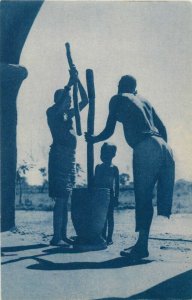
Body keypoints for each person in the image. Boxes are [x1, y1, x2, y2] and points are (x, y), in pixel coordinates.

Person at [85, 75, 175, 258]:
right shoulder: (145, 101)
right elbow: (163, 128)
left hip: (146, 146)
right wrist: (159, 150)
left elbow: (110, 129)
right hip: (165, 147)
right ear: (135, 89)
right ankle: (142, 244)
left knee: (143, 198)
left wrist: (93, 139)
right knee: (149, 198)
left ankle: (141, 247)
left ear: (120, 87)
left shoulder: (118, 98)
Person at [47, 66, 88, 246]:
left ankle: (62, 235)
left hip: (69, 159)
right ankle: (56, 236)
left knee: (66, 198)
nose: (70, 103)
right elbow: (62, 101)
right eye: (67, 100)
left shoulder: (68, 115)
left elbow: (86, 100)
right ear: (59, 101)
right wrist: (69, 85)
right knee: (61, 198)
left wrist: (77, 80)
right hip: (58, 158)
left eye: (71, 100)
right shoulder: (52, 113)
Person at [94, 143, 119, 245]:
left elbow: (117, 185)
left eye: (107, 153)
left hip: (110, 194)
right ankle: (102, 236)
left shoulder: (114, 168)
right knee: (102, 217)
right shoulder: (98, 167)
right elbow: (95, 182)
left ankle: (109, 237)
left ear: (113, 155)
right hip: (100, 194)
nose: (104, 156)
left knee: (110, 217)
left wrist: (116, 197)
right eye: (103, 153)